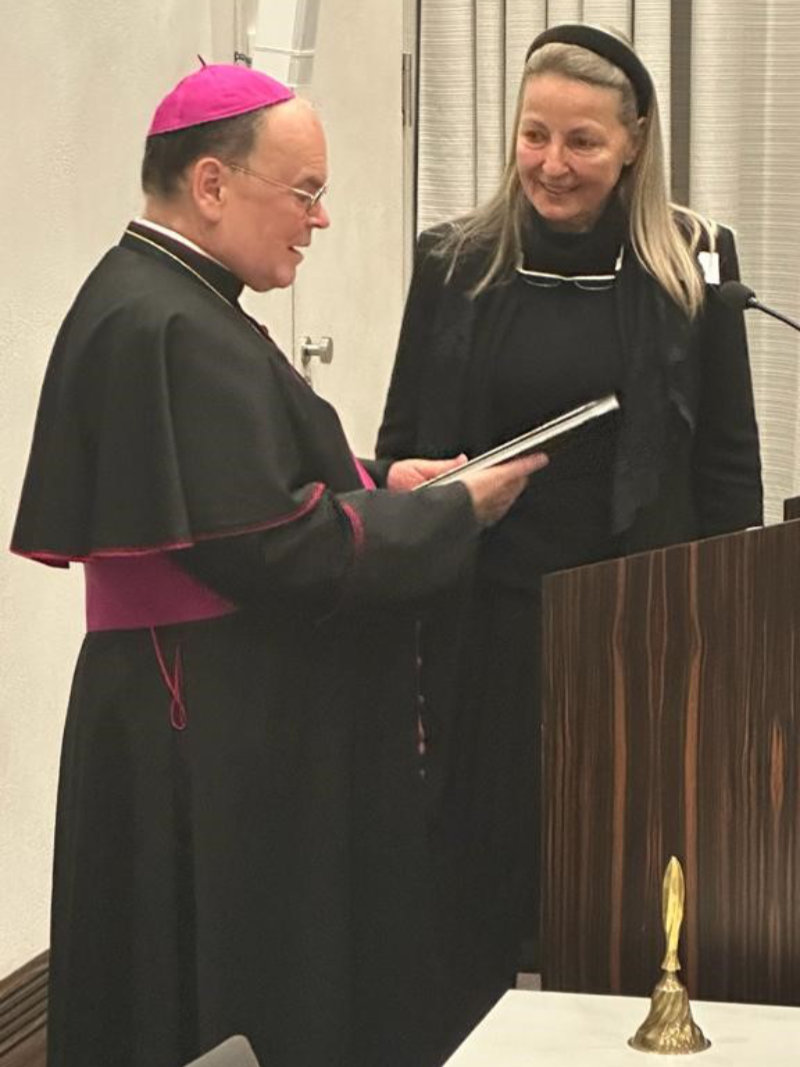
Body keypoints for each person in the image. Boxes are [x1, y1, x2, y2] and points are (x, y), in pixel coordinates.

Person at [11, 63, 547, 1067]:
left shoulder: (175, 299)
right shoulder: (160, 318)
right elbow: (271, 548)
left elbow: (253, 484)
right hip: (206, 722)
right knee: (229, 981)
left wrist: (383, 479)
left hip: (206, 699)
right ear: (211, 184)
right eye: (302, 192)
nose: (321, 218)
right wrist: (445, 513)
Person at [376, 21, 763, 1055]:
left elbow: (726, 466)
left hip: (636, 633)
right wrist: (424, 496)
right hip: (484, 623)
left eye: (582, 141)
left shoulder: (691, 264)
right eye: (533, 134)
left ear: (633, 143)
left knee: (623, 886)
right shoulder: (453, 262)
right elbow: (402, 444)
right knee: (474, 874)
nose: (552, 163)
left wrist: (724, 633)